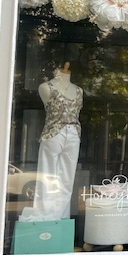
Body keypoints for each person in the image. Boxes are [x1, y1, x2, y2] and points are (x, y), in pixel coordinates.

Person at [24, 62, 83, 221]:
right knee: (47, 176)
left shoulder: (79, 91)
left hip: (73, 133)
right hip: (53, 133)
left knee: (67, 181)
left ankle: (61, 220)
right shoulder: (46, 87)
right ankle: (44, 219)